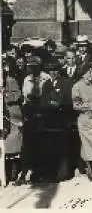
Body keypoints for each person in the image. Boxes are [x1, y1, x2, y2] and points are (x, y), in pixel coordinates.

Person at [15, 56, 50, 185]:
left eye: (35, 65)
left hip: (43, 114)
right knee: (28, 145)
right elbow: (25, 97)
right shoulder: (27, 79)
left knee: (42, 145)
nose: (33, 68)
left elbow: (46, 96)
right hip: (30, 115)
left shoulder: (46, 78)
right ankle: (26, 172)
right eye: (31, 66)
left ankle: (41, 173)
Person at [3, 57, 23, 183]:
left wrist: (5, 96)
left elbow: (18, 94)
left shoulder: (10, 80)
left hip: (11, 114)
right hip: (2, 114)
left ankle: (13, 171)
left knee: (12, 143)